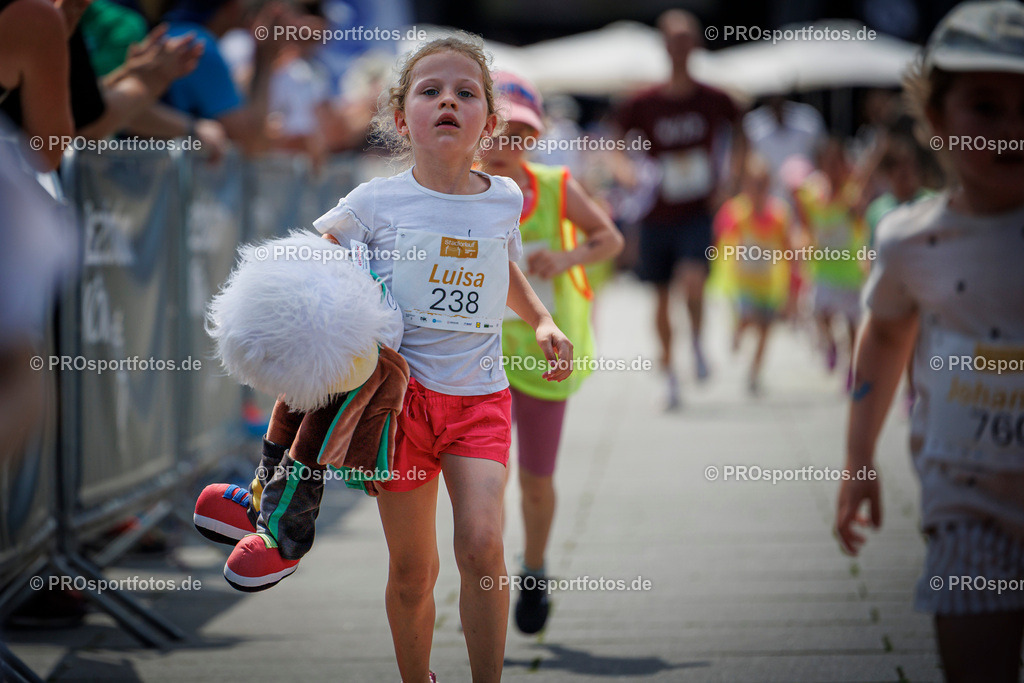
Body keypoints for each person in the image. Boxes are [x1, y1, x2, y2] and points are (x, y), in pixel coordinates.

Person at [313, 35, 574, 682]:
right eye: (430, 91)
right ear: (402, 119)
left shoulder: (503, 199)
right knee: (412, 570)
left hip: (480, 396)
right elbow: (314, 254)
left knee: (483, 545)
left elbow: (502, 267)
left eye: (466, 92)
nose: (448, 101)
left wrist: (540, 319)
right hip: (399, 404)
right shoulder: (373, 201)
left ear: (489, 119)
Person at [835, 3, 1024, 682]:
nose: (1012, 128)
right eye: (985, 105)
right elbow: (884, 335)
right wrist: (859, 457)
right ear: (938, 120)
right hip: (965, 505)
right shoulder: (913, 240)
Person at [478, 71, 623, 634]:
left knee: (537, 481)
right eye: (499, 130)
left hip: (545, 354)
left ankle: (534, 569)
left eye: (520, 133)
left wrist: (564, 260)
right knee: (487, 480)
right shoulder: (456, 188)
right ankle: (484, 574)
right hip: (480, 357)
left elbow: (609, 238)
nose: (506, 143)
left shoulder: (557, 185)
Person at [613, 9, 747, 409]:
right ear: (663, 45)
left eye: (687, 39)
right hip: (656, 211)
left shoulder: (715, 98)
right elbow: (615, 142)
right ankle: (669, 372)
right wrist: (627, 174)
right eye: (673, 40)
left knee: (693, 281)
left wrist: (731, 182)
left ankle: (698, 344)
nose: (680, 48)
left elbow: (741, 135)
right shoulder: (643, 102)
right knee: (659, 297)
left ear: (696, 44)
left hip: (697, 211)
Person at [792, 136, 871, 387]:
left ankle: (852, 366)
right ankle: (832, 347)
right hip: (822, 266)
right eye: (829, 163)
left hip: (849, 269)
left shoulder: (852, 194)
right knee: (819, 312)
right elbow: (805, 224)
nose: (834, 168)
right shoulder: (812, 193)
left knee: (851, 323)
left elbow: (860, 217)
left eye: (838, 163)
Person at [713, 156, 791, 395]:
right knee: (749, 317)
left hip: (767, 283)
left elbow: (787, 247)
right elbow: (721, 235)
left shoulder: (778, 215)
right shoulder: (737, 212)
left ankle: (755, 372)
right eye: (753, 185)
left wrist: (792, 282)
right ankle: (738, 329)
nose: (758, 191)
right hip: (743, 282)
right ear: (745, 186)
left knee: (766, 329)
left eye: (763, 185)